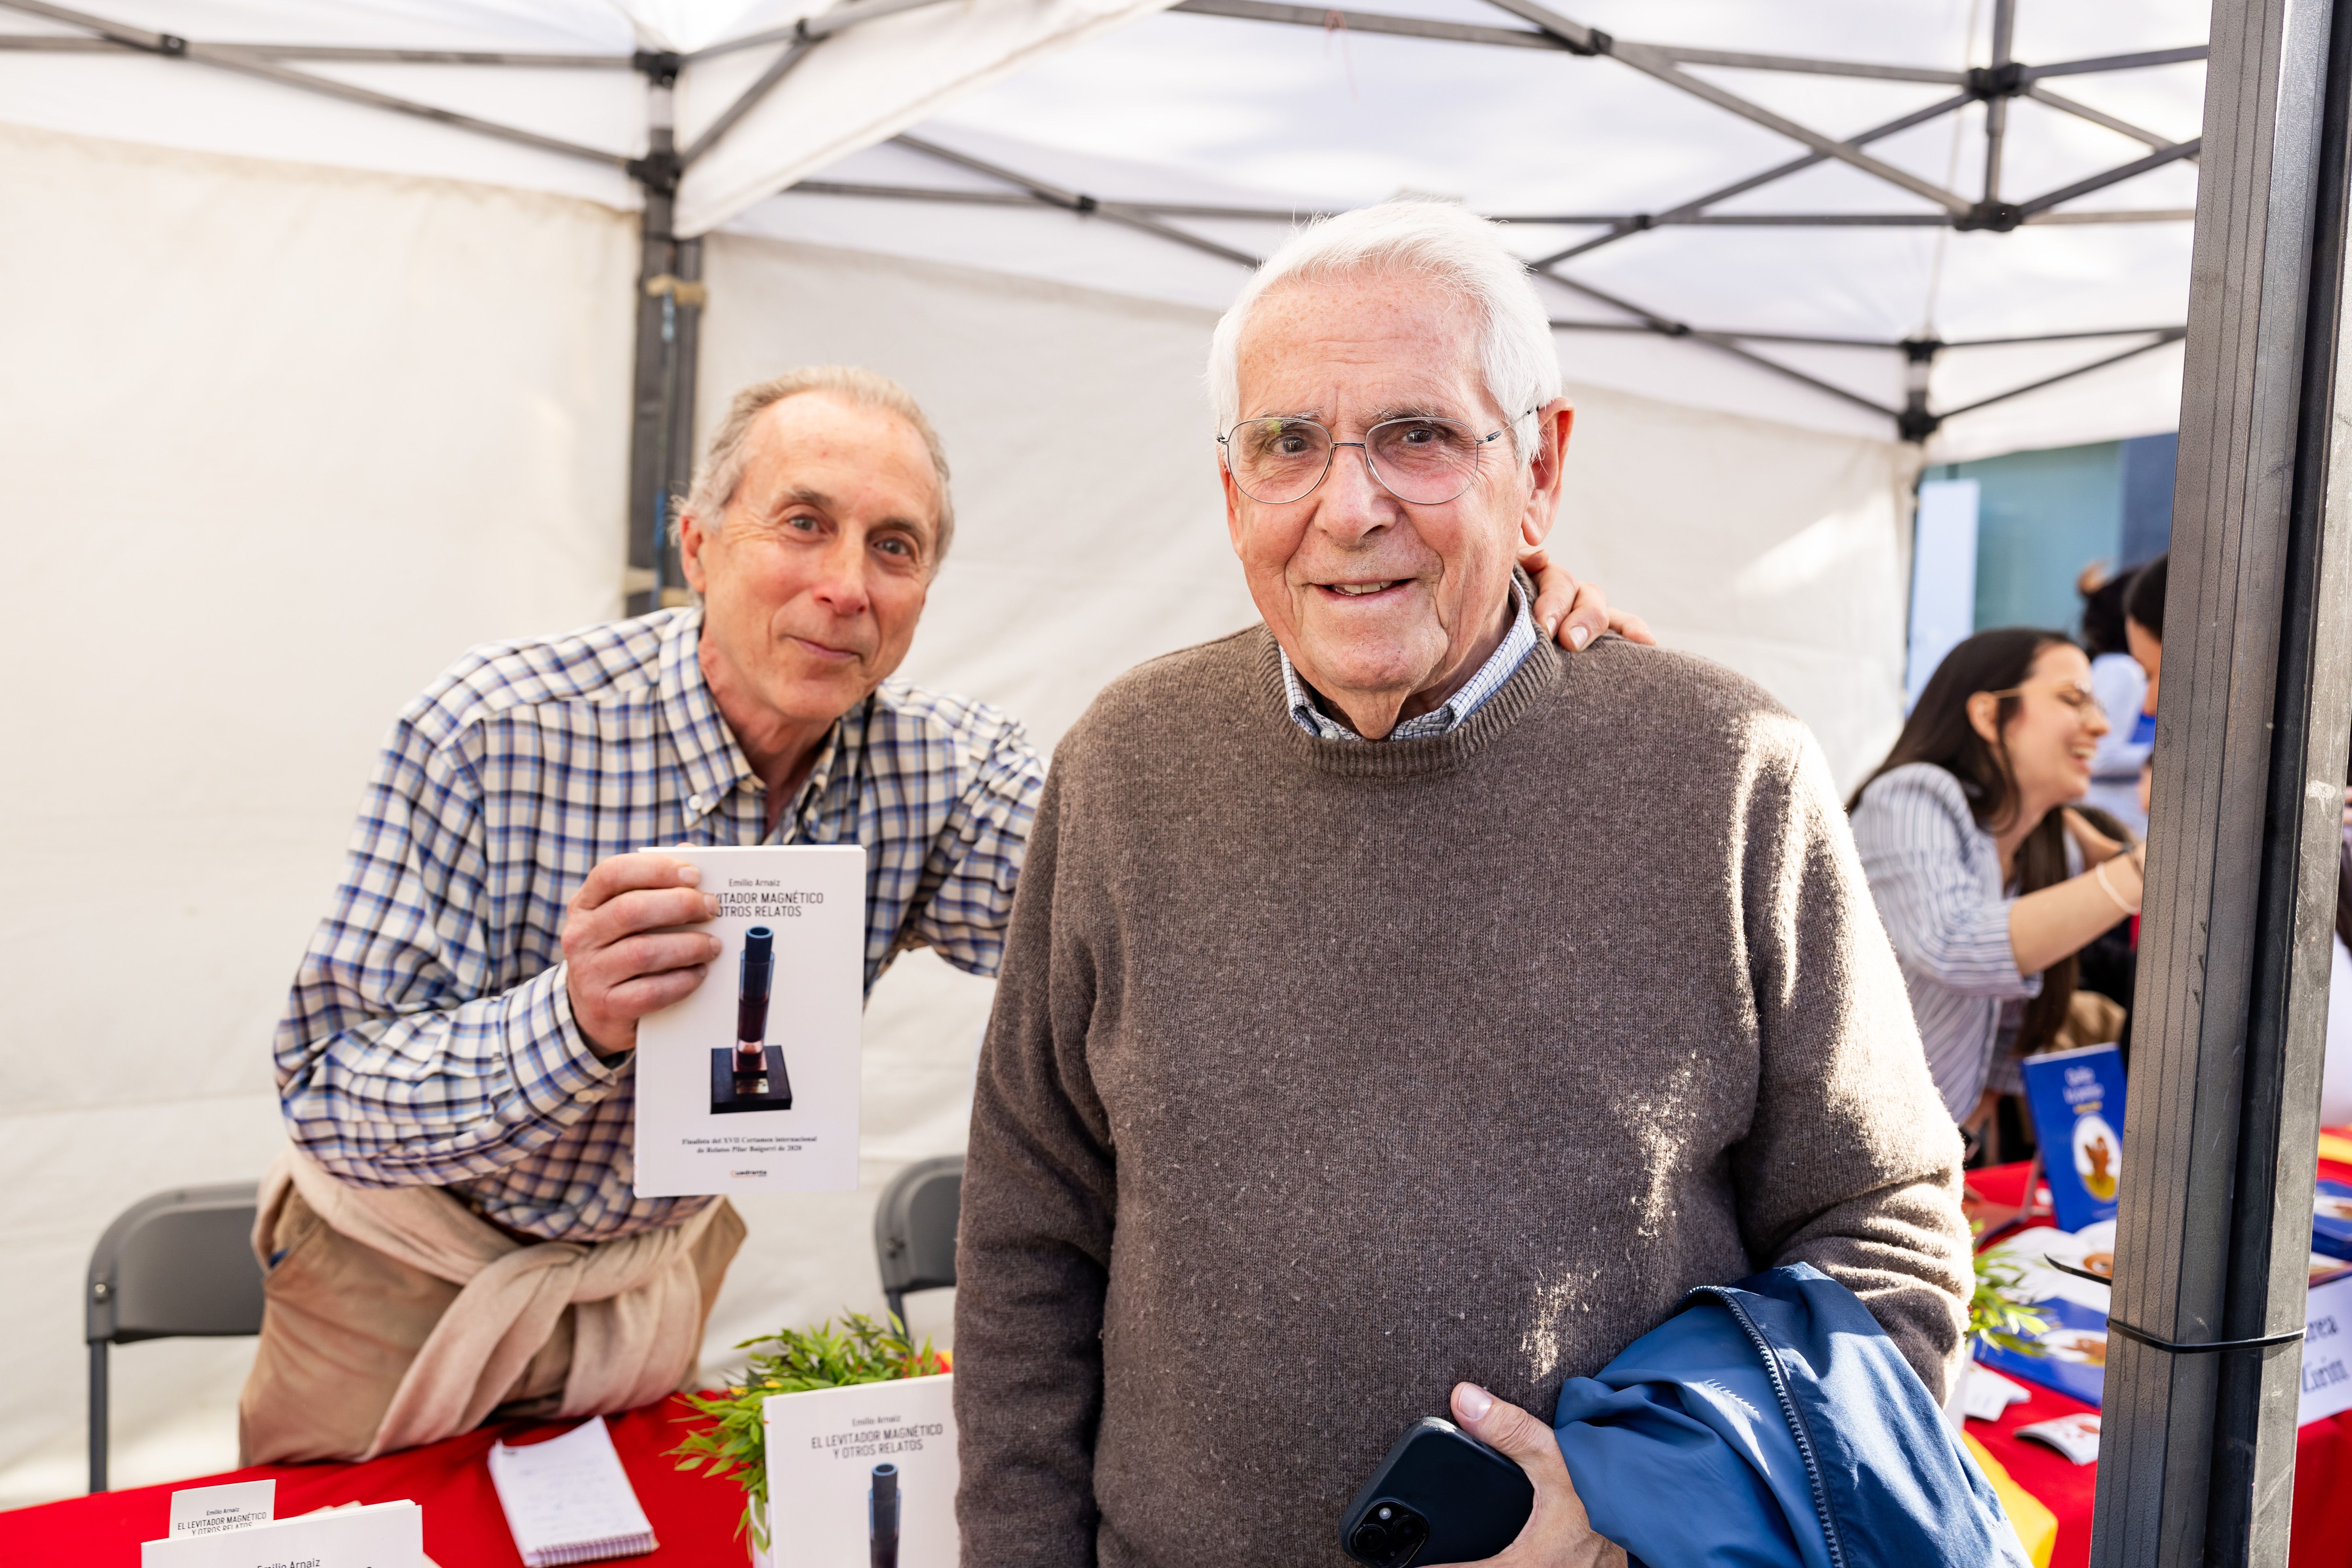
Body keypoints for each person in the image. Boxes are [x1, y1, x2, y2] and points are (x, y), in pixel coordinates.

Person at [246, 365, 1641, 1465]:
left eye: (894, 546)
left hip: (649, 1290)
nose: (845, 584)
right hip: (404, 1284)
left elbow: (1174, 901)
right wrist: (572, 1022)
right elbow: (326, 1092)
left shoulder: (935, 772)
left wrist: (1480, 642)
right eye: (803, 524)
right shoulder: (490, 730)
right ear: (695, 543)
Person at [951, 200, 1972, 1568]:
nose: (1348, 506)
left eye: (1417, 436)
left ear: (1538, 464)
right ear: (1230, 486)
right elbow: (1029, 1240)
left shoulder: (1730, 773)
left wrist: (1631, 1529)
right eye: (1288, 444)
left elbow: (1885, 1235)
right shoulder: (1123, 763)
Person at [1848, 629, 2146, 1148]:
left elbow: (2014, 1008)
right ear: (1989, 716)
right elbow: (1952, 942)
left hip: (1926, 1148)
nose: (2100, 726)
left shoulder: (2049, 844)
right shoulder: (1914, 793)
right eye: (2073, 699)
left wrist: (1972, 1119)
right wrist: (2138, 874)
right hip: (1844, 1141)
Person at [2078, 563, 2152, 834]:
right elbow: (2099, 757)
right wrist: (2165, 755)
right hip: (2114, 823)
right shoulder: (2122, 671)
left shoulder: (2117, 668)